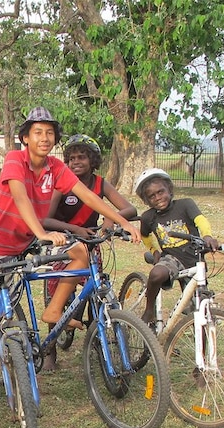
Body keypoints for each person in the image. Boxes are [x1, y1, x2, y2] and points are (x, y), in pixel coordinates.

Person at [0, 107, 141, 402]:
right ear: (25, 138)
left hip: (35, 239)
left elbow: (89, 195)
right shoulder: (15, 160)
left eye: (50, 133)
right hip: (4, 244)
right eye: (38, 132)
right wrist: (41, 232)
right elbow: (20, 196)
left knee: (79, 253)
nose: (45, 138)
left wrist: (123, 220)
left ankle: (54, 310)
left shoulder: (55, 167)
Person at [40, 134, 137, 370]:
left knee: (97, 292)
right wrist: (76, 229)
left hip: (92, 242)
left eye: (81, 157)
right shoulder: (62, 182)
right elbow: (47, 220)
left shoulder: (100, 183)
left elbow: (129, 208)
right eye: (71, 158)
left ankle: (97, 340)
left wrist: (109, 221)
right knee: (58, 296)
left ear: (93, 160)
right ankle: (50, 351)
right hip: (65, 242)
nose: (75, 162)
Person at [134, 168, 218, 325]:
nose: (158, 198)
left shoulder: (185, 204)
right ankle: (149, 310)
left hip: (194, 258)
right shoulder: (148, 217)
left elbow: (201, 220)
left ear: (169, 190)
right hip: (172, 259)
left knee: (201, 310)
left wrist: (207, 236)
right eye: (151, 196)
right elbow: (145, 236)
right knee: (156, 274)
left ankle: (203, 345)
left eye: (161, 192)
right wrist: (154, 251)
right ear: (146, 201)